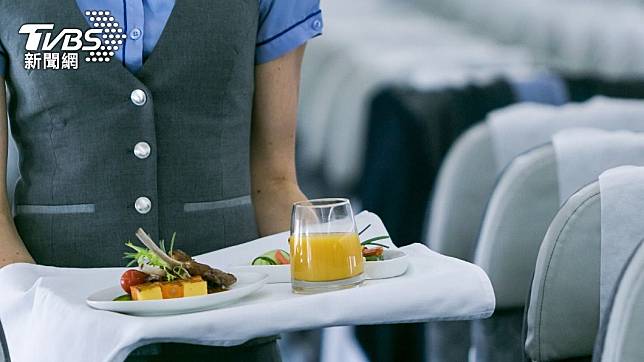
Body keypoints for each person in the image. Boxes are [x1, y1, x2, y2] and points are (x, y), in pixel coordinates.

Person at [0, 0, 322, 360]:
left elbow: (275, 180)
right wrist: (28, 306)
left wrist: (340, 266)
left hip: (232, 327)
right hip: (61, 330)